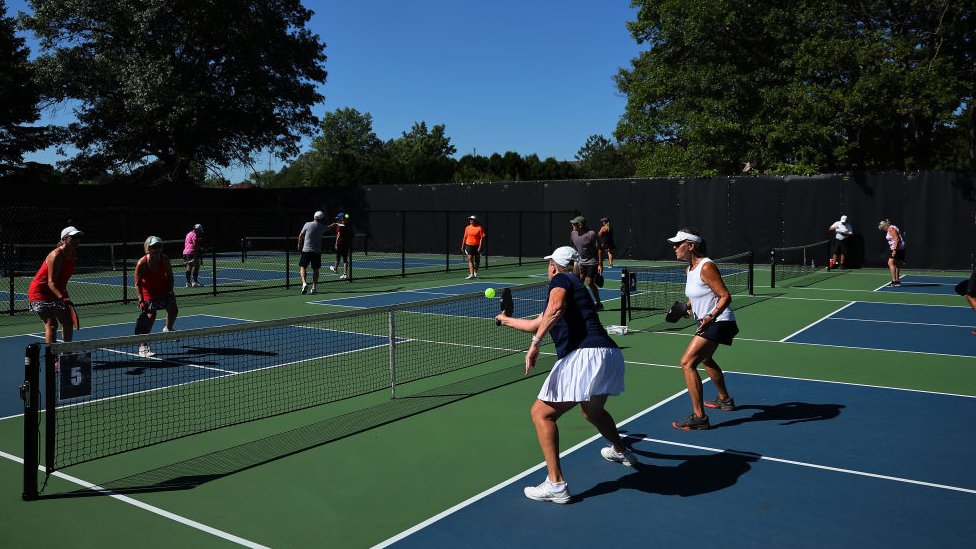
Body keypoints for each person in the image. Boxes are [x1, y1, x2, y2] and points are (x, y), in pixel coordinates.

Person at [496, 245, 636, 504]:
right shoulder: (576, 286)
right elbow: (538, 323)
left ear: (553, 266)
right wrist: (504, 320)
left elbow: (554, 310)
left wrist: (535, 344)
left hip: (584, 355)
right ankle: (621, 450)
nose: (548, 268)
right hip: (608, 354)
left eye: (549, 264)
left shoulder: (561, 279)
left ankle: (556, 484)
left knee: (541, 414)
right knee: (592, 410)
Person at [667, 228, 739, 431]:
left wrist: (710, 316)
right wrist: (686, 309)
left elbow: (725, 296)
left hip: (720, 321)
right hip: (709, 322)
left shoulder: (706, 266)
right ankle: (724, 399)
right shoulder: (689, 269)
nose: (674, 247)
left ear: (691, 246)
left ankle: (700, 417)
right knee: (705, 359)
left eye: (678, 243)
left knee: (687, 363)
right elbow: (695, 297)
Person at [28, 226, 83, 343]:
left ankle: (66, 354)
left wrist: (65, 296)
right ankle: (51, 358)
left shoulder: (73, 254)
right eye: (73, 237)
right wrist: (63, 298)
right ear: (64, 239)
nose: (77, 240)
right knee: (52, 324)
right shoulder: (56, 256)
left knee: (68, 322)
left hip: (55, 292)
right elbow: (51, 282)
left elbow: (61, 281)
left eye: (78, 237)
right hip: (40, 293)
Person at [134, 236, 178, 358]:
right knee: (150, 316)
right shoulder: (142, 263)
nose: (157, 249)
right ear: (148, 248)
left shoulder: (164, 260)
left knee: (173, 309)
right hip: (148, 292)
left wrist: (170, 290)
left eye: (159, 246)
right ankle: (143, 346)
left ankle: (168, 329)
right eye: (153, 247)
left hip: (163, 289)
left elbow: (170, 276)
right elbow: (138, 283)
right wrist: (140, 299)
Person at [569, 215, 604, 310]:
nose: (572, 225)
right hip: (580, 262)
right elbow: (574, 247)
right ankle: (581, 302)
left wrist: (600, 264)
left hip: (592, 262)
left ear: (580, 225)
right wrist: (575, 260)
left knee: (590, 282)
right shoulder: (573, 234)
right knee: (579, 282)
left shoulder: (591, 234)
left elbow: (599, 249)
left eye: (574, 223)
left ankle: (599, 303)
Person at [297, 210, 328, 294]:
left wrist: (299, 244)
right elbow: (329, 227)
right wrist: (335, 224)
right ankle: (314, 288)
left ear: (314, 217)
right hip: (316, 252)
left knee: (303, 267)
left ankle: (304, 283)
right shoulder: (322, 227)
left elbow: (301, 235)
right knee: (316, 270)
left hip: (306, 251)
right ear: (321, 219)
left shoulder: (307, 224)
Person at [878, 219, 905, 286]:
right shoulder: (892, 228)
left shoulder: (891, 229)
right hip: (900, 247)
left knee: (890, 263)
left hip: (897, 248)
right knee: (897, 264)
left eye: (883, 228)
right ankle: (897, 281)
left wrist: (895, 250)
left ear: (885, 226)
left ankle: (894, 281)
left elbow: (896, 238)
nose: (883, 230)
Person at [329, 212, 353, 280]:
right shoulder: (347, 224)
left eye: (339, 218)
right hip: (346, 243)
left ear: (341, 218)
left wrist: (336, 243)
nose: (338, 219)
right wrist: (336, 223)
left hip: (340, 243)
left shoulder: (340, 226)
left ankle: (335, 269)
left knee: (338, 257)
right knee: (345, 259)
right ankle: (345, 274)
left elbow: (338, 235)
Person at [461, 215, 485, 280]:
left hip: (477, 246)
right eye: (470, 219)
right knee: (470, 258)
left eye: (472, 219)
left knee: (477, 260)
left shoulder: (479, 228)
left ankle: (475, 273)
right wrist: (462, 245)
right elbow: (465, 237)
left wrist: (480, 246)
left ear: (475, 220)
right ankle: (471, 274)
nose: (471, 220)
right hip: (468, 245)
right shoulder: (467, 228)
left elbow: (481, 238)